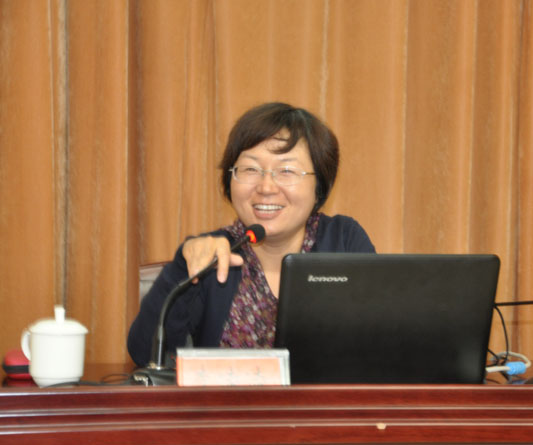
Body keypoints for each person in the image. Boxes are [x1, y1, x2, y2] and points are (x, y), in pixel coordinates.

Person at [127, 102, 375, 367]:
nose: (266, 187)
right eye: (250, 169)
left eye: (286, 171)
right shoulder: (213, 256)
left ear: (319, 187)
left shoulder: (343, 240)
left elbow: (379, 343)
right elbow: (145, 354)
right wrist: (183, 267)